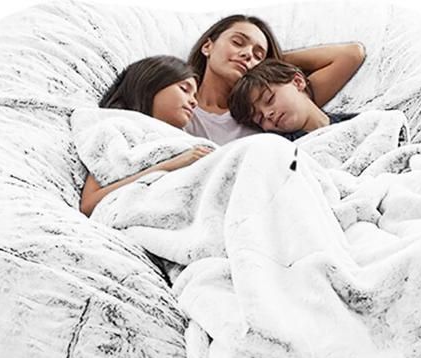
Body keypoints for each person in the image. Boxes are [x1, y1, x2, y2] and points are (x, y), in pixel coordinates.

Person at [184, 14, 366, 145]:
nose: (248, 54)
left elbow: (352, 54)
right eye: (237, 42)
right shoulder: (180, 106)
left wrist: (273, 63)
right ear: (207, 46)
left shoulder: (282, 102)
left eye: (258, 55)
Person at [79, 55, 214, 217]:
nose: (194, 102)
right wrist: (171, 165)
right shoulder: (118, 129)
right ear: (152, 85)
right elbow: (89, 204)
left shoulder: (185, 141)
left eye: (195, 96)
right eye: (184, 89)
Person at [228, 58, 359, 141]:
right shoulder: (281, 149)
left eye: (269, 99)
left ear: (297, 82)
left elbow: (351, 54)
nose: (267, 114)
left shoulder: (355, 121)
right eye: (260, 119)